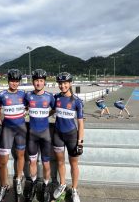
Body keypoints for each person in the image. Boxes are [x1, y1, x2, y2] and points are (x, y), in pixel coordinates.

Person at [0, 69, 27, 202]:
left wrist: (25, 113)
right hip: (6, 130)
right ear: (8, 81)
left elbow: (29, 106)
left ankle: (18, 179)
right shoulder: (0, 95)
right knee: (2, 162)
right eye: (12, 81)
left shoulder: (24, 95)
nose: (14, 83)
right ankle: (4, 186)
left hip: (21, 130)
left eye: (17, 81)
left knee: (20, 156)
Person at [24, 69, 55, 202]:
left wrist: (46, 115)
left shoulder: (49, 97)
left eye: (41, 80)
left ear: (44, 82)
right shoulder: (28, 96)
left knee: (46, 163)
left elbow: (54, 108)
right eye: (36, 80)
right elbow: (24, 108)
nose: (38, 83)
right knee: (32, 162)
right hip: (32, 135)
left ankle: (46, 185)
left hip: (45, 136)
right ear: (33, 82)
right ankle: (34, 183)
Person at [53, 72, 84, 202]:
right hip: (57, 134)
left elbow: (81, 123)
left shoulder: (77, 101)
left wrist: (80, 142)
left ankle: (74, 189)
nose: (62, 85)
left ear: (70, 83)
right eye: (60, 83)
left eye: (65, 83)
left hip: (71, 135)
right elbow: (52, 110)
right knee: (60, 162)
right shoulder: (56, 98)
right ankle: (62, 184)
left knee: (74, 164)